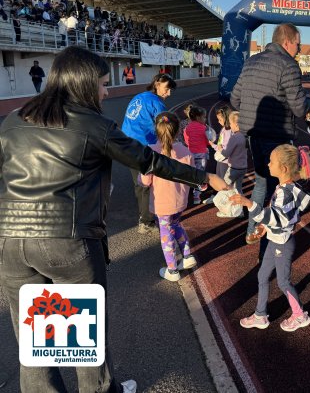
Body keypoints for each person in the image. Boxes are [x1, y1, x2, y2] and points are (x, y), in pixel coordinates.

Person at [0, 46, 227, 393]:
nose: (106, 92)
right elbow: (149, 162)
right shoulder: (94, 125)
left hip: (12, 244)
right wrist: (205, 178)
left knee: (34, 340)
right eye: (103, 84)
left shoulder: (14, 119)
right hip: (68, 240)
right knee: (84, 338)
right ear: (85, 84)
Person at [231, 23, 310, 247]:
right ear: (287, 41)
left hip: (253, 134)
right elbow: (298, 108)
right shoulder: (289, 65)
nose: (299, 48)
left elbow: (234, 99)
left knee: (261, 182)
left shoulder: (251, 62)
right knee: (281, 184)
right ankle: (274, 228)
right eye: (298, 43)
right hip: (276, 134)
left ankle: (252, 230)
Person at [231, 145, 310, 332]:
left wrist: (249, 204)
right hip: (275, 239)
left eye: (271, 161)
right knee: (262, 275)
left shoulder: (285, 192)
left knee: (283, 281)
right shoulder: (284, 187)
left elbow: (278, 218)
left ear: (283, 168)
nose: (268, 164)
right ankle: (260, 315)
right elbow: (278, 217)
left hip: (282, 244)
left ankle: (300, 315)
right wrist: (265, 228)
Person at [140, 112, 197, 281]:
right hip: (180, 201)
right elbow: (193, 175)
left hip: (162, 204)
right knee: (176, 224)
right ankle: (187, 256)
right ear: (178, 130)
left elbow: (144, 181)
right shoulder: (185, 151)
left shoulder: (150, 152)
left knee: (165, 234)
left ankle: (172, 269)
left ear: (156, 131)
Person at [122, 73, 177, 233]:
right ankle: (146, 221)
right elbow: (164, 130)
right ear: (157, 84)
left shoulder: (140, 96)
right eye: (167, 89)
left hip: (127, 143)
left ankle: (145, 217)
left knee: (139, 183)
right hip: (142, 146)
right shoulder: (157, 104)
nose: (169, 94)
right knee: (148, 183)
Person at [217, 111, 248, 218]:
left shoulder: (234, 138)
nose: (229, 125)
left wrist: (220, 148)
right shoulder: (244, 136)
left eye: (230, 123)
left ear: (236, 124)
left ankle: (226, 210)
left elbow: (226, 153)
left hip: (233, 168)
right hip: (243, 168)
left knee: (224, 188)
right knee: (238, 189)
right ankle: (240, 212)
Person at [203, 105, 233, 205]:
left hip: (225, 161)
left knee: (224, 181)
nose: (218, 121)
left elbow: (227, 148)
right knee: (219, 178)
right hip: (221, 159)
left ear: (227, 118)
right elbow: (221, 144)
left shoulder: (229, 131)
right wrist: (213, 145)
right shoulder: (224, 129)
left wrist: (218, 147)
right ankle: (218, 197)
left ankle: (229, 202)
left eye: (220, 119)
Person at [183, 105, 210, 204]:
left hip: (191, 154)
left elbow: (186, 141)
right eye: (204, 117)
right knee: (200, 174)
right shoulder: (204, 128)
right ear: (198, 117)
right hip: (201, 154)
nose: (205, 119)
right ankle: (196, 197)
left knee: (191, 173)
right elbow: (208, 141)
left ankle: (187, 192)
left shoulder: (187, 128)